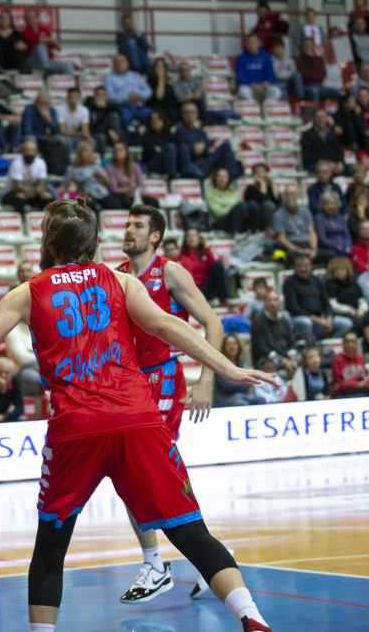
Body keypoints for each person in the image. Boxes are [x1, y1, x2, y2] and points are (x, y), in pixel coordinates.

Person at [0, 200, 274, 632]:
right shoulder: (121, 281)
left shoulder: (29, 291)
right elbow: (173, 327)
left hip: (77, 427)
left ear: (47, 242)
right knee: (191, 532)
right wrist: (226, 368)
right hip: (137, 418)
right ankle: (251, 616)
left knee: (51, 547)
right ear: (94, 241)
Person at [117, 203, 231, 600]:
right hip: (132, 385)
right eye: (127, 224)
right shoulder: (118, 276)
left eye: (138, 226)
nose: (128, 230)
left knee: (152, 469)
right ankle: (198, 554)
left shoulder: (170, 272)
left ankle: (162, 561)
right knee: (132, 471)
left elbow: (214, 322)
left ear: (154, 236)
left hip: (164, 377)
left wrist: (207, 379)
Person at [283, 254, 351, 342]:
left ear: (311, 266)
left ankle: (328, 343)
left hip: (321, 317)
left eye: (306, 266)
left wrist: (329, 318)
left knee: (346, 323)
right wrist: (317, 320)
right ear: (294, 268)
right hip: (300, 318)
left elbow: (326, 303)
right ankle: (311, 345)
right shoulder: (289, 283)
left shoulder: (317, 280)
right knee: (305, 322)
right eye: (299, 266)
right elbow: (293, 308)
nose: (303, 269)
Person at [174, 101, 240, 181]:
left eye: (193, 112)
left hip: (205, 163)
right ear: (182, 115)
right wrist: (192, 149)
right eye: (187, 112)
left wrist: (205, 147)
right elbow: (176, 152)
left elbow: (207, 148)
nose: (190, 115)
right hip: (190, 166)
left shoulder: (200, 131)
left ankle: (233, 175)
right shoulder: (177, 131)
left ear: (197, 114)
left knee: (225, 145)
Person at [250, 291, 301, 368]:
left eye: (275, 300)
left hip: (285, 355)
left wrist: (291, 355)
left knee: (302, 359)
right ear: (265, 303)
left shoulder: (284, 319)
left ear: (279, 302)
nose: (273, 303)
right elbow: (260, 347)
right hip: (266, 358)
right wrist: (282, 360)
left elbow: (291, 341)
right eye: (270, 300)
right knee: (275, 364)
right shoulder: (258, 322)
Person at [2, 138, 53, 213]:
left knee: (48, 197)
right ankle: (23, 222)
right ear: (22, 151)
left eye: (32, 150)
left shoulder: (41, 162)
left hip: (32, 192)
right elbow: (17, 186)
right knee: (20, 197)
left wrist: (37, 191)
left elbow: (42, 183)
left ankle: (43, 220)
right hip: (11, 193)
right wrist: (31, 192)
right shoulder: (16, 163)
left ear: (36, 151)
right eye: (27, 150)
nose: (30, 153)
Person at [274, 184, 321, 263]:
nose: (290, 197)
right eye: (287, 194)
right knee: (280, 256)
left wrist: (314, 249)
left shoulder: (306, 211)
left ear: (297, 196)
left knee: (329, 255)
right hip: (291, 247)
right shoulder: (278, 214)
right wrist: (299, 250)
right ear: (283, 196)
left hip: (307, 245)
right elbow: (281, 238)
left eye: (292, 194)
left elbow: (312, 232)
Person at [104, 54, 152, 128]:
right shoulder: (109, 79)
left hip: (139, 107)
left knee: (152, 115)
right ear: (113, 65)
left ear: (127, 63)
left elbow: (148, 91)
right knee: (125, 118)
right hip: (124, 108)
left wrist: (139, 95)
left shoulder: (136, 75)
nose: (120, 64)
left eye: (122, 61)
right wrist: (127, 98)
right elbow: (110, 97)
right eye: (117, 62)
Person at [101, 141, 146, 210]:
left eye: (120, 150)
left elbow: (141, 185)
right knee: (122, 202)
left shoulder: (135, 166)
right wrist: (129, 190)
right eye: (115, 150)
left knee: (153, 202)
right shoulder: (110, 168)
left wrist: (137, 192)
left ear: (126, 152)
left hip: (135, 194)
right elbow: (114, 189)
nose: (117, 152)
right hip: (119, 196)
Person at [235, 34, 280, 102]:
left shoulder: (266, 56)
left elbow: (271, 75)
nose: (252, 45)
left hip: (263, 87)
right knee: (242, 91)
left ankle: (266, 108)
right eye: (249, 43)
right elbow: (240, 77)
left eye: (254, 42)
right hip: (249, 86)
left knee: (276, 91)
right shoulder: (241, 58)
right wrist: (252, 84)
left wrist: (266, 83)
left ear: (259, 43)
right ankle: (253, 108)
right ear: (246, 45)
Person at [214, 335, 256, 408]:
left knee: (260, 400)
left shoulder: (241, 363)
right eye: (229, 344)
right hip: (225, 400)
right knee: (240, 401)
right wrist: (246, 384)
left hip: (241, 397)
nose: (232, 347)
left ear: (238, 346)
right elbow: (227, 386)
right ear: (224, 348)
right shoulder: (220, 365)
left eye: (234, 344)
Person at [206, 167, 249, 234]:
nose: (222, 179)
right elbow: (218, 211)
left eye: (225, 176)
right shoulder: (210, 192)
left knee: (252, 204)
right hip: (220, 221)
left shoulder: (234, 191)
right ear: (215, 178)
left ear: (229, 178)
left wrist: (233, 210)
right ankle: (236, 234)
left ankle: (253, 233)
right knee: (240, 207)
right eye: (219, 176)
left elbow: (238, 206)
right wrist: (233, 211)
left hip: (236, 218)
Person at [301, 109, 344, 175]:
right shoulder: (307, 135)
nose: (321, 119)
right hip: (315, 165)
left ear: (327, 118)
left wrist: (339, 162)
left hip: (333, 164)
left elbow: (339, 151)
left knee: (354, 169)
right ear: (314, 118)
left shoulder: (333, 133)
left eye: (323, 117)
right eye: (318, 117)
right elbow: (306, 156)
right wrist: (325, 163)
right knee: (324, 169)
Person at [331, 332, 369, 398]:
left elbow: (365, 377)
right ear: (343, 344)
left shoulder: (360, 359)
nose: (350, 344)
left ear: (357, 344)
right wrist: (356, 384)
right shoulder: (337, 360)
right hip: (344, 394)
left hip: (362, 391)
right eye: (347, 342)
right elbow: (338, 383)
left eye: (353, 342)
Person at [296, 37, 337, 104]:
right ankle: (317, 112)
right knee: (314, 91)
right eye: (306, 45)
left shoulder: (319, 59)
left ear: (313, 46)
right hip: (307, 86)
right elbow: (303, 76)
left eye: (310, 45)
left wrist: (312, 75)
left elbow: (323, 74)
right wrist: (315, 75)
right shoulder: (298, 60)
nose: (308, 47)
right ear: (302, 47)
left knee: (336, 92)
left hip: (320, 85)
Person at [326, 256, 366, 321]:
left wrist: (361, 310)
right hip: (341, 314)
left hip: (358, 313)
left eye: (342, 270)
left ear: (347, 270)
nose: (339, 273)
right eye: (336, 270)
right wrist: (350, 310)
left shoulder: (354, 284)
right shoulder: (330, 284)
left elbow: (362, 300)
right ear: (332, 271)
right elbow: (333, 305)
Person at [242, 163, 279, 232]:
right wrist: (262, 185)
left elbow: (278, 201)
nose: (260, 174)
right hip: (257, 219)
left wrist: (273, 184)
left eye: (263, 171)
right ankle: (267, 231)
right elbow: (259, 202)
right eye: (258, 172)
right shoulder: (250, 188)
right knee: (268, 205)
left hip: (273, 216)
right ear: (254, 175)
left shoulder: (271, 187)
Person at [140, 111, 179, 178]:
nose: (155, 121)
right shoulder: (146, 135)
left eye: (157, 119)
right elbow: (149, 152)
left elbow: (175, 151)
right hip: (153, 163)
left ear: (163, 120)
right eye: (152, 119)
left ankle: (171, 174)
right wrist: (165, 151)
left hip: (167, 163)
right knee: (170, 148)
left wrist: (162, 150)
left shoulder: (169, 134)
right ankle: (171, 174)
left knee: (171, 148)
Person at [314, 192, 351, 259]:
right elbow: (322, 239)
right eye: (327, 204)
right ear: (322, 205)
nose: (330, 206)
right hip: (328, 248)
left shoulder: (340, 217)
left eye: (333, 203)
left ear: (337, 205)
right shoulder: (319, 218)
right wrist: (336, 245)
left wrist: (347, 245)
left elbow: (347, 235)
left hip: (343, 247)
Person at [56, 87, 91, 152]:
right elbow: (62, 131)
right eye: (71, 97)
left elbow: (85, 131)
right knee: (68, 142)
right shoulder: (60, 109)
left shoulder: (84, 110)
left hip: (76, 136)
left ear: (79, 98)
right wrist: (80, 133)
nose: (73, 99)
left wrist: (88, 138)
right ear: (67, 98)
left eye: (76, 97)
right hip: (62, 136)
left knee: (91, 142)